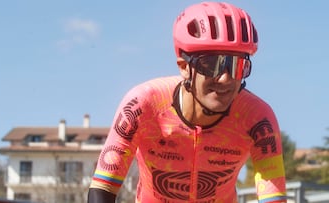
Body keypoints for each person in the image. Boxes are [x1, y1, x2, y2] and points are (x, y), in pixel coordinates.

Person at [88, 1, 287, 203]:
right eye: (212, 65)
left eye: (237, 66)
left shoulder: (257, 118)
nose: (225, 78)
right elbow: (103, 187)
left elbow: (274, 198)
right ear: (184, 67)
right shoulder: (144, 104)